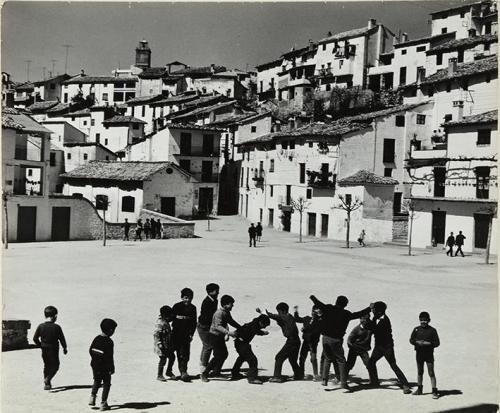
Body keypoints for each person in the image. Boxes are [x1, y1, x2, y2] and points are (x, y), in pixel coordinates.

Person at [309, 295, 371, 391]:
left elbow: (319, 304)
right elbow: (357, 314)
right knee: (341, 360)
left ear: (336, 301)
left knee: (328, 358)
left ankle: (324, 380)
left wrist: (313, 298)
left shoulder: (328, 308)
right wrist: (369, 308)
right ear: (345, 305)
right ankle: (343, 383)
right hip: (336, 340)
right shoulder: (346, 314)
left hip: (325, 338)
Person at [367, 301, 411, 394]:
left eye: (374, 309)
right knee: (371, 363)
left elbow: (373, 328)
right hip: (379, 346)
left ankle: (405, 384)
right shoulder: (377, 317)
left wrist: (368, 318)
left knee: (393, 365)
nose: (373, 311)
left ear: (378, 311)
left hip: (387, 347)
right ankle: (374, 382)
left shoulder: (385, 321)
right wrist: (370, 310)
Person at [259, 303, 301, 383]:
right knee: (292, 359)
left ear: (284, 311)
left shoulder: (285, 316)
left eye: (279, 312)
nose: (278, 313)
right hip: (296, 341)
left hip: (291, 341)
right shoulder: (289, 317)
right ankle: (299, 374)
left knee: (279, 357)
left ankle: (277, 376)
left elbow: (275, 316)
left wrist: (265, 312)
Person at [205, 295, 241, 380]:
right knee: (218, 355)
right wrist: (228, 333)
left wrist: (240, 327)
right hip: (214, 336)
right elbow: (218, 326)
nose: (232, 306)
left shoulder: (226, 312)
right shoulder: (219, 313)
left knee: (224, 354)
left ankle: (216, 371)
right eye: (231, 304)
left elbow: (231, 321)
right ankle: (205, 373)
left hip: (219, 336)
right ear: (225, 304)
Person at [33, 305, 68, 390]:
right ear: (55, 316)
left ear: (45, 315)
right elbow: (62, 339)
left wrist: (40, 345)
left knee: (46, 366)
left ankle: (47, 384)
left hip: (44, 349)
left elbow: (35, 338)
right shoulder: (57, 327)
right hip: (54, 349)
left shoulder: (40, 326)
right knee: (56, 366)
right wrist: (65, 348)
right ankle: (48, 379)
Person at [231, 314, 270, 384]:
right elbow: (256, 331)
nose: (264, 327)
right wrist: (263, 333)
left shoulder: (254, 323)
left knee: (242, 357)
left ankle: (235, 373)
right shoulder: (254, 325)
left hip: (240, 343)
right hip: (242, 344)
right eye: (264, 325)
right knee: (253, 359)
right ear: (261, 322)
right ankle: (252, 378)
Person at [409, 311, 440, 399]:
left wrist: (428, 343)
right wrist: (416, 342)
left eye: (425, 320)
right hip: (419, 354)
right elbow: (411, 340)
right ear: (419, 320)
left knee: (431, 372)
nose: (423, 322)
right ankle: (419, 389)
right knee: (420, 372)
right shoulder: (416, 329)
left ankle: (434, 391)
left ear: (429, 320)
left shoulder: (433, 330)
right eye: (422, 320)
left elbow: (437, 343)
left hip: (429, 354)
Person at [89, 318, 117, 411]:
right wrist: (111, 368)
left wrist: (95, 360)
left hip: (95, 365)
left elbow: (90, 350)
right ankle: (103, 403)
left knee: (96, 381)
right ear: (111, 330)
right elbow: (109, 357)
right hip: (104, 367)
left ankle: (92, 397)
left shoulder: (96, 338)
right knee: (106, 384)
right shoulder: (109, 342)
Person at [172, 288, 197, 382]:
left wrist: (191, 334)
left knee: (186, 354)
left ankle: (184, 371)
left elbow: (194, 322)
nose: (188, 300)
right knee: (178, 353)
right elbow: (171, 318)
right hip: (176, 334)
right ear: (182, 297)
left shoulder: (193, 308)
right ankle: (179, 372)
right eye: (186, 298)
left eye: (190, 298)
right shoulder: (176, 306)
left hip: (186, 334)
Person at [198, 283, 220, 382]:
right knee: (208, 347)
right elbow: (208, 317)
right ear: (210, 292)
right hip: (204, 327)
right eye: (216, 290)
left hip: (207, 326)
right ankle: (203, 371)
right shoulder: (207, 302)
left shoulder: (214, 300)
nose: (218, 292)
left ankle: (202, 364)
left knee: (205, 346)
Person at [294, 305, 322, 380]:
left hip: (313, 343)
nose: (314, 313)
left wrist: (306, 329)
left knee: (313, 359)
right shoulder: (306, 318)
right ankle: (301, 374)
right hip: (306, 342)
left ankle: (315, 375)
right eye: (313, 311)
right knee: (302, 358)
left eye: (316, 312)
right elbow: (297, 319)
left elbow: (315, 330)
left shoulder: (320, 322)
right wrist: (296, 311)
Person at [154, 305, 175, 381]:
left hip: (167, 345)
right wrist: (159, 343)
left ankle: (169, 371)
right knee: (163, 360)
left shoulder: (165, 321)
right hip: (162, 346)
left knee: (172, 357)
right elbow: (156, 334)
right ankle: (159, 375)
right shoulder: (160, 323)